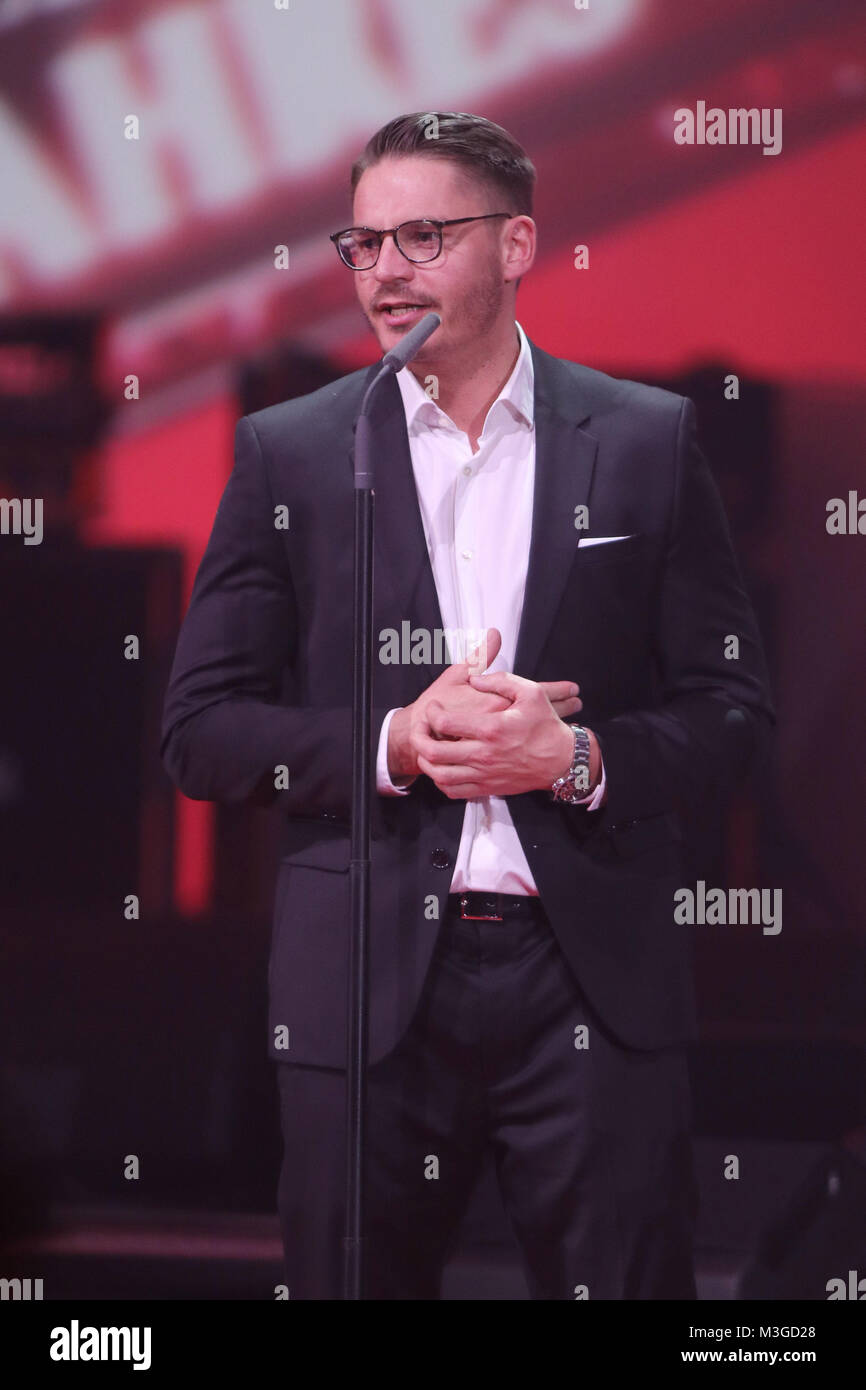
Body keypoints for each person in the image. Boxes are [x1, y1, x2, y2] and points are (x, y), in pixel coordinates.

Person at [161, 111, 775, 1300]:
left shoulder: (644, 441)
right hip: (365, 989)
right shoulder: (292, 453)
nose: (384, 271)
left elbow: (731, 710)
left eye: (423, 236)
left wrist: (577, 756)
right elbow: (200, 731)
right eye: (363, 243)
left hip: (585, 977)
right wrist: (395, 742)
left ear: (516, 244)